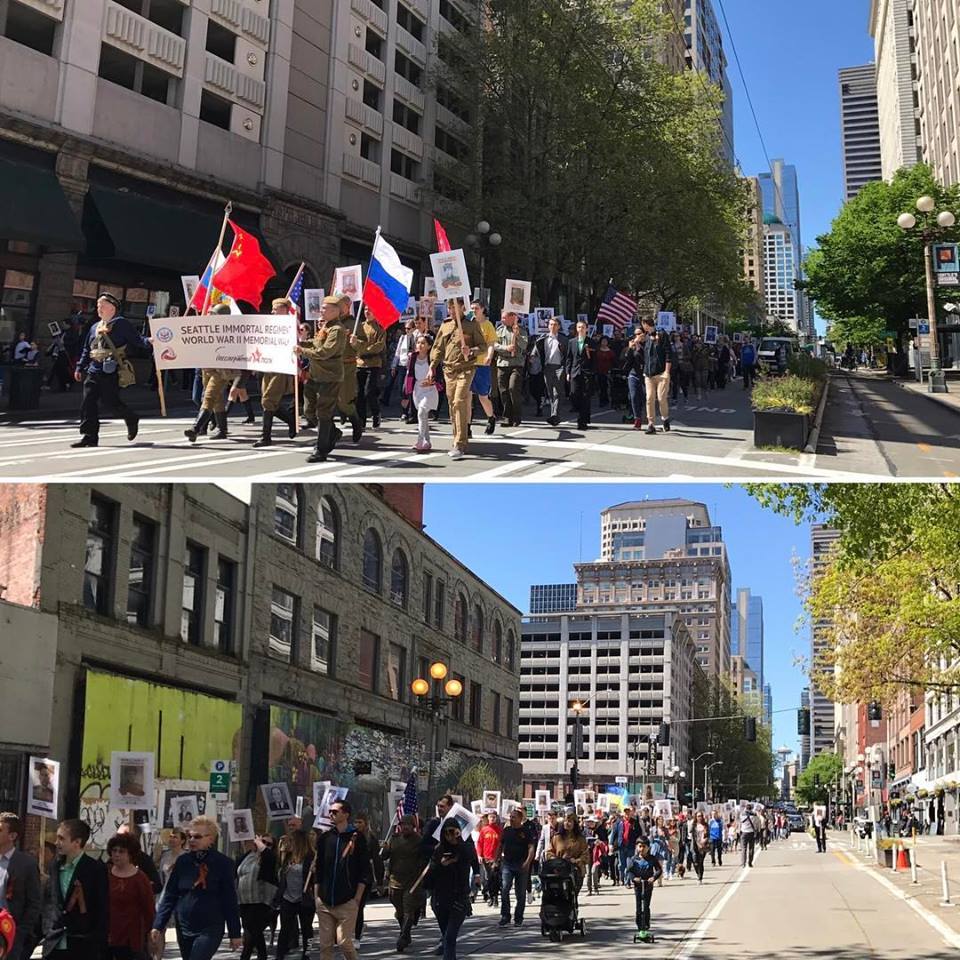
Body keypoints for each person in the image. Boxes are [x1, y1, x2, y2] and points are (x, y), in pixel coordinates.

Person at [151, 816, 242, 960]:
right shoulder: (183, 861)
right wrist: (158, 924)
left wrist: (235, 933)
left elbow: (229, 900)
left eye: (197, 837)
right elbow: (170, 894)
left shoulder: (223, 863)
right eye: (189, 836)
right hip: (184, 926)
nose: (192, 840)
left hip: (210, 927)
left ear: (210, 839)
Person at [72, 293, 150, 448]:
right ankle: (89, 436)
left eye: (102, 306)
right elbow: (87, 348)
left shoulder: (121, 324)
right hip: (94, 369)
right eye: (98, 306)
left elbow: (138, 340)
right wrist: (80, 366)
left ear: (112, 307)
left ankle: (131, 417)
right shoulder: (95, 326)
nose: (99, 309)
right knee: (88, 403)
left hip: (111, 370)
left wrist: (152, 341)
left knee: (110, 402)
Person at [41, 819, 109, 960]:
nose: (56, 842)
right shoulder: (54, 866)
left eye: (61, 838)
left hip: (82, 944)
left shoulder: (95, 869)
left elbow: (102, 908)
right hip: (54, 943)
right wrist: (47, 929)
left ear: (77, 842)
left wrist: (98, 942)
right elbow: (50, 901)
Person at [312, 800, 370, 960]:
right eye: (330, 811)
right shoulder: (325, 838)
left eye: (335, 811)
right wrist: (317, 896)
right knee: (325, 945)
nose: (331, 814)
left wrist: (357, 898)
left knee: (344, 941)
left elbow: (365, 871)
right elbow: (319, 868)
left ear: (346, 814)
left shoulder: (357, 839)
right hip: (324, 901)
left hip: (347, 901)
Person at [427, 303, 486, 459]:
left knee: (459, 401)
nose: (451, 310)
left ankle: (459, 444)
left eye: (454, 307)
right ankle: (458, 438)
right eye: (449, 308)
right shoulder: (445, 326)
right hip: (449, 370)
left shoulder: (471, 325)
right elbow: (438, 348)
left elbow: (483, 346)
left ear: (462, 308)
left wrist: (471, 350)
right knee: (452, 403)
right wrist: (432, 366)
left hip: (466, 369)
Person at [297, 295, 349, 461]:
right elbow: (316, 343)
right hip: (315, 375)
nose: (321, 310)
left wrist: (302, 351)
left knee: (324, 413)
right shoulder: (325, 326)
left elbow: (325, 352)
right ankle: (332, 432)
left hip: (330, 377)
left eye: (325, 308)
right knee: (308, 410)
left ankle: (321, 450)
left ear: (335, 311)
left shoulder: (337, 330)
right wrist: (301, 343)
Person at [422, 821, 478, 960]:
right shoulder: (439, 850)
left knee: (449, 938)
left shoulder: (464, 849)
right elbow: (428, 878)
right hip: (441, 900)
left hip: (459, 899)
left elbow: (471, 856)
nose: (450, 836)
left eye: (452, 832)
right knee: (446, 936)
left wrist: (458, 840)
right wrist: (439, 865)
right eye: (446, 833)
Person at [254, 299, 299, 447]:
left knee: (268, 400)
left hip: (281, 367)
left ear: (285, 309)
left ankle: (265, 436)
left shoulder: (291, 325)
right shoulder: (268, 324)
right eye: (272, 309)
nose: (273, 312)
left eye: (276, 309)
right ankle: (292, 421)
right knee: (268, 402)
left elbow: (295, 343)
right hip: (268, 366)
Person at [381, 816, 427, 953]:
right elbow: (384, 856)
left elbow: (425, 858)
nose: (405, 827)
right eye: (402, 824)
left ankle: (403, 937)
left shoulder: (419, 840)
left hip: (412, 882)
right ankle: (405, 931)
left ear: (413, 826)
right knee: (399, 910)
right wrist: (384, 848)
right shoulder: (394, 839)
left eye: (408, 824)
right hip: (395, 881)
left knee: (408, 910)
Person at [105, 833, 155, 960]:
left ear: (130, 854)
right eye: (114, 850)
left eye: (121, 851)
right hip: (107, 932)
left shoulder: (140, 878)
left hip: (131, 935)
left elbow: (149, 909)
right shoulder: (105, 874)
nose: (116, 854)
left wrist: (151, 933)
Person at [0, 813, 41, 960]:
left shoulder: (26, 864)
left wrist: (20, 933)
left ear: (12, 836)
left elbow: (34, 903)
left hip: (9, 935)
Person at [273, 830, 313, 960]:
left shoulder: (310, 857)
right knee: (284, 929)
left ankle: (307, 954)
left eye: (292, 840)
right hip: (288, 898)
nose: (290, 843)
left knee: (307, 930)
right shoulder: (287, 857)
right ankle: (279, 955)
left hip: (304, 898)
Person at [236, 836, 277, 960]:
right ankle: (261, 957)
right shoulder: (248, 856)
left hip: (261, 901)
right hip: (244, 901)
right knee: (253, 934)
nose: (263, 844)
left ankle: (247, 957)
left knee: (252, 933)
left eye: (267, 843)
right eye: (262, 841)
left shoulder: (269, 858)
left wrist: (260, 844)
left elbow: (269, 856)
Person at [497, 807, 533, 928]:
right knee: (505, 889)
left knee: (520, 894)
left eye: (514, 817)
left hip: (522, 865)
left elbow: (531, 848)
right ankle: (505, 916)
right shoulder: (506, 830)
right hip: (507, 864)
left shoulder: (527, 831)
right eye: (510, 817)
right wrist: (496, 860)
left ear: (520, 818)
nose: (511, 819)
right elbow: (500, 845)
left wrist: (527, 862)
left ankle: (518, 918)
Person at [468, 302, 499, 435]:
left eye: (476, 308)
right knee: (467, 396)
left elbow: (491, 344)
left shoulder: (488, 325)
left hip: (482, 364)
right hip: (469, 363)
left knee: (483, 396)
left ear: (482, 310)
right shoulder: (468, 324)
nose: (474, 310)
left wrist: (489, 356)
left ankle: (491, 417)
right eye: (472, 308)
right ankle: (467, 425)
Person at [493, 311, 528, 427]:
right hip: (502, 363)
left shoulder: (521, 330)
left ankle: (516, 416)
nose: (502, 320)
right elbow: (494, 345)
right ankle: (507, 417)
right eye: (502, 317)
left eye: (504, 317)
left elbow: (524, 346)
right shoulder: (499, 330)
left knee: (513, 389)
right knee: (503, 391)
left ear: (513, 317)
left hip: (516, 364)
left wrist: (517, 335)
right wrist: (506, 348)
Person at [350, 813, 382, 942]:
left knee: (359, 906)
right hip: (351, 876)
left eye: (360, 822)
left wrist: (379, 882)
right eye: (356, 822)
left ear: (366, 823)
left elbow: (377, 860)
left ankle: (357, 936)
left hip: (365, 877)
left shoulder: (371, 838)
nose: (357, 825)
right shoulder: (351, 837)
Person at [406, 333, 440, 453]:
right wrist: (407, 391)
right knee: (423, 415)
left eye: (423, 343)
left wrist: (433, 382)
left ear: (429, 346)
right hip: (418, 389)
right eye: (418, 343)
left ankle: (420, 440)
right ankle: (427, 441)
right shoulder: (412, 357)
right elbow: (409, 374)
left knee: (421, 412)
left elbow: (439, 375)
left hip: (430, 389)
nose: (420, 345)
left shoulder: (432, 358)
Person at [353, 306, 386, 429]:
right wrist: (357, 347)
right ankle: (361, 420)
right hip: (359, 363)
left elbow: (379, 346)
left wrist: (364, 349)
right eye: (366, 309)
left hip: (373, 364)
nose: (367, 312)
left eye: (370, 309)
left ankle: (376, 413)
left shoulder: (380, 329)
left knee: (369, 392)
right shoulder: (359, 326)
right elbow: (354, 343)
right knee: (359, 393)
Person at [624, 838, 662, 942]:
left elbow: (659, 870)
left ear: (648, 848)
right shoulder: (633, 859)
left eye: (644, 847)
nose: (641, 849)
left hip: (648, 885)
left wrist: (653, 878)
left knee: (645, 907)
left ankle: (646, 925)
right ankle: (640, 927)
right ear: (637, 847)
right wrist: (633, 878)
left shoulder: (652, 859)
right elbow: (629, 871)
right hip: (638, 886)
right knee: (638, 908)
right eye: (640, 846)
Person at [640, 317, 672, 434]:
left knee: (661, 398)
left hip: (661, 373)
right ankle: (651, 423)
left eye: (643, 325)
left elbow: (669, 353)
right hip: (648, 374)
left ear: (645, 324)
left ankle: (665, 418)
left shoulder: (662, 334)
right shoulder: (646, 337)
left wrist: (667, 372)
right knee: (649, 398)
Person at [536, 318, 569, 426]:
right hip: (547, 367)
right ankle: (553, 414)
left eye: (555, 324)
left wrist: (566, 369)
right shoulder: (543, 339)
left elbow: (568, 355)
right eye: (551, 324)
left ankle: (555, 415)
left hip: (559, 367)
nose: (552, 326)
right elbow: (537, 351)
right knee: (550, 392)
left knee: (558, 392)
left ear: (559, 326)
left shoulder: (563, 339)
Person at [564, 319, 594, 431]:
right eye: (579, 327)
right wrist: (568, 372)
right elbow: (569, 358)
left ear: (586, 329)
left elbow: (594, 359)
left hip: (587, 373)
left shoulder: (591, 342)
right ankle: (578, 409)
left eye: (582, 327)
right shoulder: (572, 342)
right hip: (575, 372)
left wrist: (592, 371)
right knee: (574, 394)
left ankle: (582, 421)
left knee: (585, 397)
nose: (580, 329)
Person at [547, 813, 588, 894]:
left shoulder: (580, 839)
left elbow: (586, 855)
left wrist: (577, 860)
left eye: (569, 821)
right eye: (565, 821)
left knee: (572, 896)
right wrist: (556, 860)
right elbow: (549, 852)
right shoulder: (557, 837)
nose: (567, 823)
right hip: (559, 871)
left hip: (576, 871)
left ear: (574, 823)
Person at [621, 327, 647, 429]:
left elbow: (646, 358)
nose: (637, 336)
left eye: (639, 333)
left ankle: (644, 415)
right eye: (636, 334)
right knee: (634, 396)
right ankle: (637, 419)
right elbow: (626, 359)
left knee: (644, 397)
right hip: (633, 374)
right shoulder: (632, 345)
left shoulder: (647, 345)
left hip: (645, 374)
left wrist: (639, 347)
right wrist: (629, 349)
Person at [475, 814, 502, 906]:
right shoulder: (484, 830)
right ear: (488, 818)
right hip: (486, 858)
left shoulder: (500, 830)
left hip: (496, 859)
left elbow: (502, 843)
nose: (492, 818)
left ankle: (495, 898)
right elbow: (479, 843)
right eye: (491, 817)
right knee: (489, 879)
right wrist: (479, 855)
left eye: (494, 817)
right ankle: (490, 896)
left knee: (495, 878)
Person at [594, 337, 615, 406]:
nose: (604, 342)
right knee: (600, 387)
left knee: (606, 386)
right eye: (603, 341)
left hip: (607, 371)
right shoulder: (597, 351)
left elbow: (613, 362)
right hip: (599, 370)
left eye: (605, 341)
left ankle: (607, 399)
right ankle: (602, 400)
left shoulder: (611, 352)